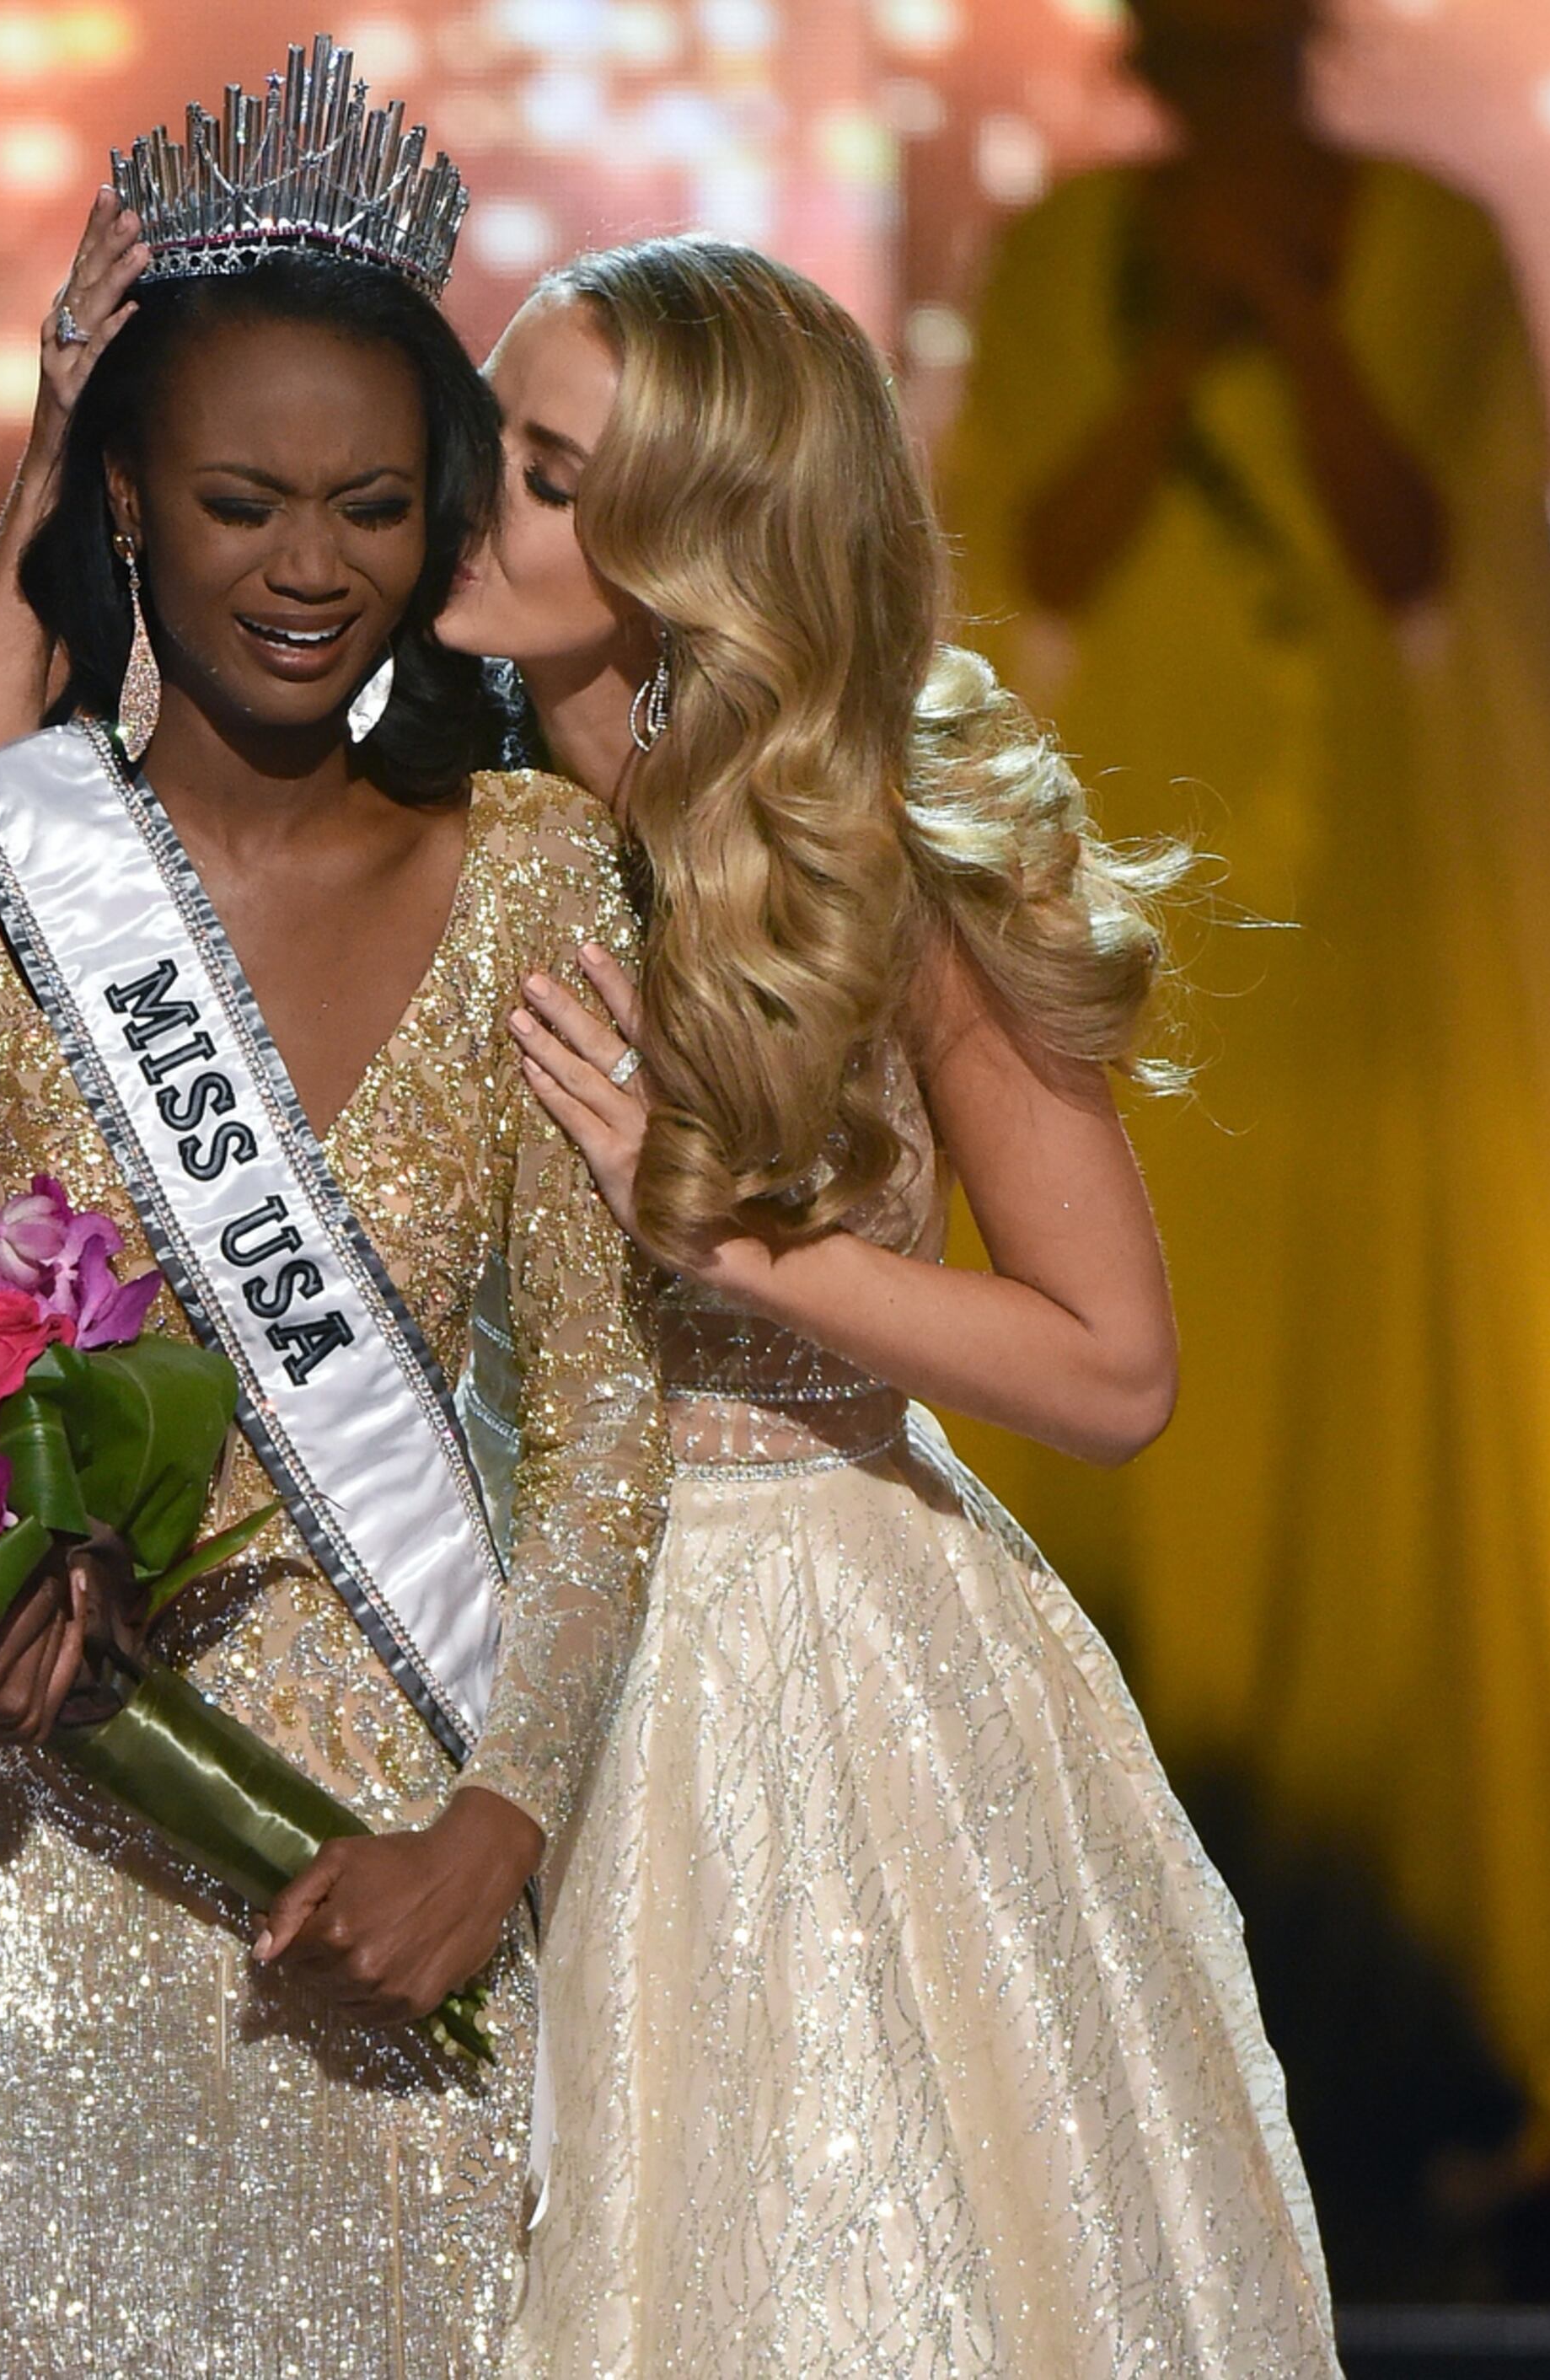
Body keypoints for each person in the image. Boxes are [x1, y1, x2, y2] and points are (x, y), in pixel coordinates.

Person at [0, 52, 662, 2376]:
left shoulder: (542, 874)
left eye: (373, 507)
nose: (310, 570)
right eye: (245, 501)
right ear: (133, 511)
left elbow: (602, 1411)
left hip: (393, 1874)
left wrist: (499, 1839)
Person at [447, 234, 1339, 2376]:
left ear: (694, 542)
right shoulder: (416, 805)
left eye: (548, 470)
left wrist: (734, 1242)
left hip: (804, 1652)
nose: (469, 493)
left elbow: (1112, 1362)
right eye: (487, 429)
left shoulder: (887, 837)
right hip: (462, 1621)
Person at [936, 0, 1550, 2100]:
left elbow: (1430, 550)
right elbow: (1037, 551)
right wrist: (1191, 328)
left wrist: (1304, 316)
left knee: (1361, 1384)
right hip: (1139, 938)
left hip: (1377, 944)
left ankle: (1408, 2011)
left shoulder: (1431, 244)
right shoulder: (1071, 253)